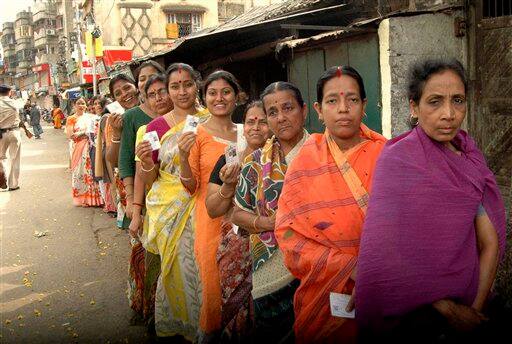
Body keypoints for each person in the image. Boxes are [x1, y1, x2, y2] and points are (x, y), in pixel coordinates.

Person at [355, 59, 506, 342]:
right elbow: (387, 254)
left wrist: (473, 311)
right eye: (435, 102)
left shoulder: (470, 161)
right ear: (414, 107)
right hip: (412, 315)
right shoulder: (398, 161)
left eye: (457, 101)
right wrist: (447, 310)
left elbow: (490, 243)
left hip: (467, 302)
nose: (448, 114)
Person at [274, 66, 387, 343]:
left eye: (352, 99)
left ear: (364, 105)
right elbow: (288, 236)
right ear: (319, 110)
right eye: (333, 101)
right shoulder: (304, 162)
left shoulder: (388, 155)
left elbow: (409, 227)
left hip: (384, 286)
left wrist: (375, 271)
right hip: (324, 296)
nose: (343, 108)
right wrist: (348, 267)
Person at [135, 63, 209, 341]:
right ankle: (180, 323)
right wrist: (144, 161)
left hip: (204, 203)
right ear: (167, 91)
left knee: (204, 266)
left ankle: (207, 322)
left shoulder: (210, 117)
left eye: (187, 84)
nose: (182, 91)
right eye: (175, 86)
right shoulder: (154, 127)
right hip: (169, 208)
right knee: (176, 270)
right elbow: (152, 176)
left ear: (197, 85)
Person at [232, 81, 310, 343]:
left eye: (288, 108)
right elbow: (238, 214)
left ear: (304, 111)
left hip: (318, 268)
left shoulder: (323, 153)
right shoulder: (255, 162)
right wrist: (269, 222)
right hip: (270, 274)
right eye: (273, 112)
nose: (281, 117)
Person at [206, 100, 270, 341]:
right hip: (236, 248)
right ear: (243, 127)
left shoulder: (281, 161)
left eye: (263, 121)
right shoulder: (228, 161)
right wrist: (228, 185)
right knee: (235, 310)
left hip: (271, 247)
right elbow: (212, 209)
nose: (256, 127)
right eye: (250, 121)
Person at [66, 97, 103, 207]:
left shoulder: (91, 117)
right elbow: (71, 135)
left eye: (83, 103)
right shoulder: (71, 119)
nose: (81, 106)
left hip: (91, 146)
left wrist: (86, 133)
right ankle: (83, 199)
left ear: (86, 106)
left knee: (92, 172)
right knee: (80, 172)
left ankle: (95, 199)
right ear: (74, 105)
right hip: (79, 148)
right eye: (78, 103)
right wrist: (85, 132)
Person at [93, 96, 117, 214]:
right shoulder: (106, 118)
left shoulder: (114, 116)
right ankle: (118, 211)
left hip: (112, 151)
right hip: (109, 152)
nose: (111, 105)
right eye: (107, 104)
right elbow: (107, 139)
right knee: (114, 183)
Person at [0, 84, 26, 191]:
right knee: (14, 159)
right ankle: (13, 184)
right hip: (14, 132)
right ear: (9, 92)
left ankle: (2, 176)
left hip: (1, 134)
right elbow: (23, 101)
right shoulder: (15, 103)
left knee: (1, 158)